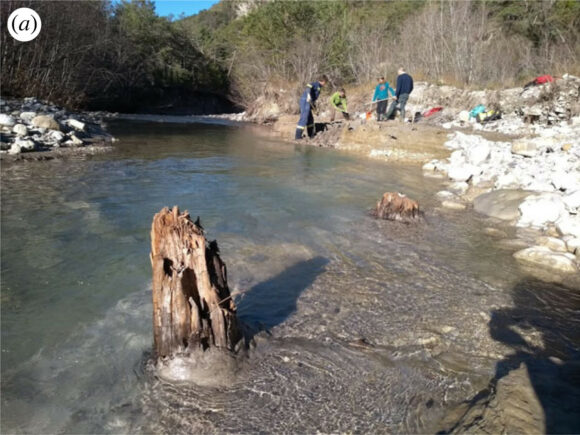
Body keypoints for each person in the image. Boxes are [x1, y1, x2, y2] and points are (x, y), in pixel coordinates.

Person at [295, 75, 328, 140]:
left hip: (310, 102)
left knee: (310, 120)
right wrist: (308, 95)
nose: (325, 84)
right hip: (306, 100)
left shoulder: (319, 87)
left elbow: (313, 98)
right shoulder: (316, 84)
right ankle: (297, 137)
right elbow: (309, 86)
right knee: (304, 118)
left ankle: (311, 136)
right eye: (325, 82)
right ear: (323, 81)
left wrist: (315, 109)